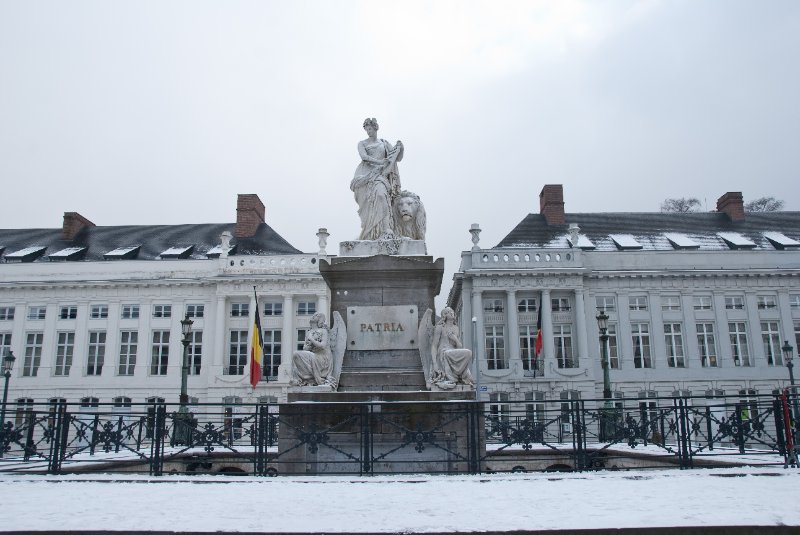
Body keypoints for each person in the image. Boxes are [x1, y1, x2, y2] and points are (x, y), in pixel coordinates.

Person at [350, 118, 404, 240]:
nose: (368, 132)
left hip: (380, 176)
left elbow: (397, 158)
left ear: (375, 128)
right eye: (366, 129)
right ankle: (370, 232)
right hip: (365, 175)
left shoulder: (384, 143)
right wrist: (380, 162)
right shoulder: (362, 143)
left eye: (370, 129)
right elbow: (364, 157)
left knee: (381, 196)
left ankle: (386, 229)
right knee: (368, 205)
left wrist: (401, 148)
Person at [431, 307, 475, 387]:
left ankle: (458, 374)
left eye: (452, 311)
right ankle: (453, 377)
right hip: (443, 353)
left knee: (468, 353)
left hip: (453, 352)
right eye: (448, 312)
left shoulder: (456, 328)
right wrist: (434, 363)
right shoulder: (440, 327)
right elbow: (434, 346)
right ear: (445, 315)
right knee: (448, 353)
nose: (451, 313)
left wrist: (455, 339)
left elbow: (459, 347)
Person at [290, 313, 333, 386]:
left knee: (310, 355)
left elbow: (323, 346)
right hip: (313, 354)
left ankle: (314, 377)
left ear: (320, 319)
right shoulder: (309, 332)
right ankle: (303, 378)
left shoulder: (323, 331)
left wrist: (312, 339)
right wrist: (309, 345)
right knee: (295, 354)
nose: (314, 316)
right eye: (314, 315)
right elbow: (305, 349)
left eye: (317, 315)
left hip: (323, 357)